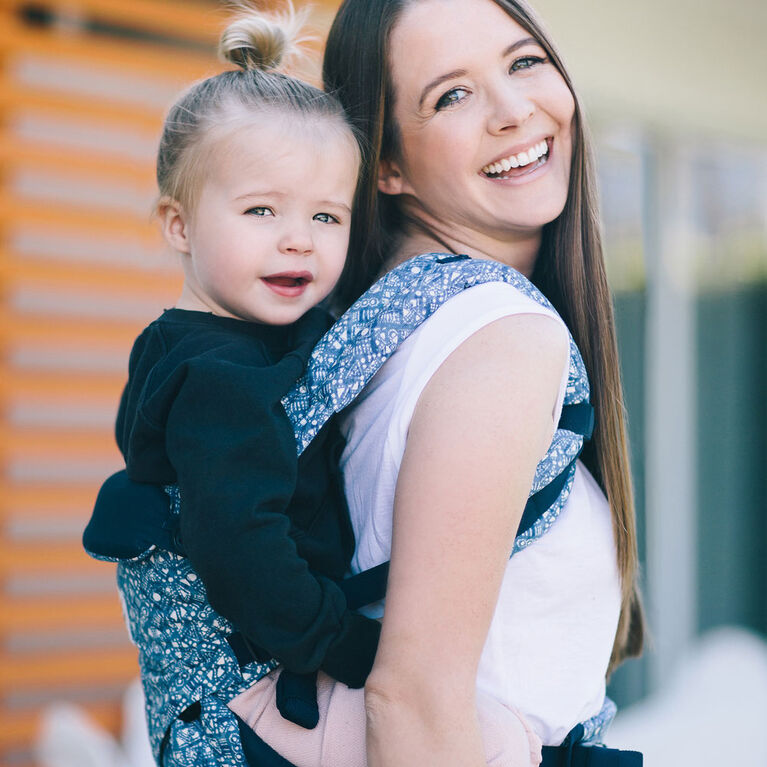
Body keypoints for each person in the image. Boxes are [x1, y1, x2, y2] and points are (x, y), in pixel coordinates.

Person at [313, 0, 645, 764]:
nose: (512, 110)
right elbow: (415, 701)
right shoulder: (502, 339)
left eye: (523, 61)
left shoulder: (380, 324)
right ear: (385, 163)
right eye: (450, 95)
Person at [84, 4, 384, 761]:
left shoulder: (188, 343)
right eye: (261, 209)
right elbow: (239, 547)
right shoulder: (220, 378)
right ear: (178, 224)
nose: (298, 237)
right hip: (244, 711)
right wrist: (351, 645)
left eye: (326, 215)